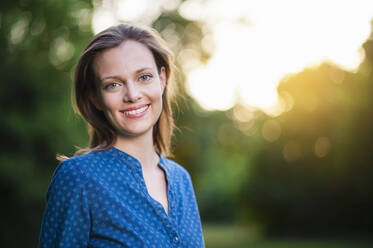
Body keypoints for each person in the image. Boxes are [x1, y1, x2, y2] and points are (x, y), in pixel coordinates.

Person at [38, 23, 204, 247]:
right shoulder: (78, 179)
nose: (133, 95)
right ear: (95, 97)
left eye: (144, 77)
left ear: (162, 79)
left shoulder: (181, 179)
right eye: (113, 84)